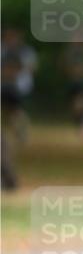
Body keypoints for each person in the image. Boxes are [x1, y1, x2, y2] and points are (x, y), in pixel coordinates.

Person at [1, 27, 38, 190]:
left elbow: (26, 68)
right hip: (5, 87)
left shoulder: (21, 52)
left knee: (14, 114)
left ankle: (8, 178)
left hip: (15, 88)